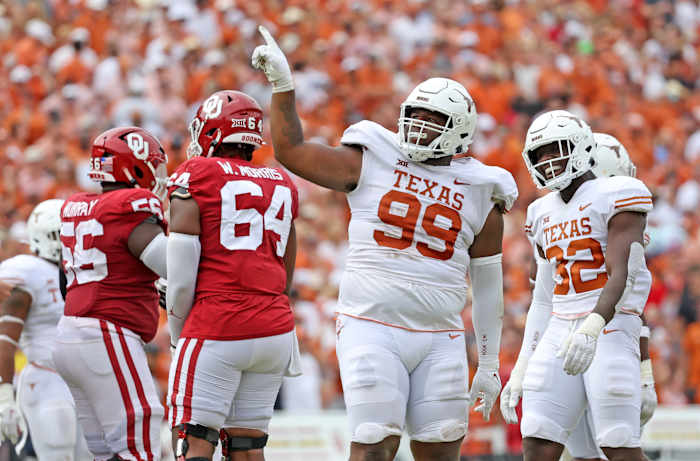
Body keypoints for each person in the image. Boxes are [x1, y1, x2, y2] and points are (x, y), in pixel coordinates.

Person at [252, 26, 517, 461]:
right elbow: (292, 150)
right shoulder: (372, 155)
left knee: (442, 445)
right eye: (416, 113)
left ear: (460, 131)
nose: (419, 124)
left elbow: (489, 287)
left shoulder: (482, 188)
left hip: (441, 335)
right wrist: (284, 88)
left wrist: (488, 362)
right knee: (375, 442)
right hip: (370, 324)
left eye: (435, 119)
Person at [502, 110, 652, 461]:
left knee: (618, 443)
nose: (548, 162)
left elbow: (623, 273)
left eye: (555, 150)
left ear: (581, 146)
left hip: (610, 324)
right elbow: (542, 299)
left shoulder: (616, 192)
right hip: (560, 326)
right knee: (538, 434)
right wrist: (523, 365)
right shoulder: (540, 212)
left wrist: (595, 324)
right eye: (540, 155)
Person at [166, 90, 300, 461]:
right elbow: (286, 266)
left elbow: (180, 279)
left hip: (216, 326)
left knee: (192, 442)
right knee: (246, 446)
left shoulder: (196, 173)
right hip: (275, 329)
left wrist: (179, 334)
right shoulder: (281, 181)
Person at [53, 126, 169, 461]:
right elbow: (172, 265)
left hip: (71, 334)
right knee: (140, 440)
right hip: (106, 333)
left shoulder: (77, 205)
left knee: (106, 450)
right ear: (135, 166)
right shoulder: (132, 204)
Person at [0, 199, 91, 459]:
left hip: (85, 382)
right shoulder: (26, 270)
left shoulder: (83, 270)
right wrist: (4, 395)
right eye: (57, 234)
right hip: (47, 378)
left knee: (92, 455)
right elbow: (6, 338)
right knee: (57, 453)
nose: (64, 240)